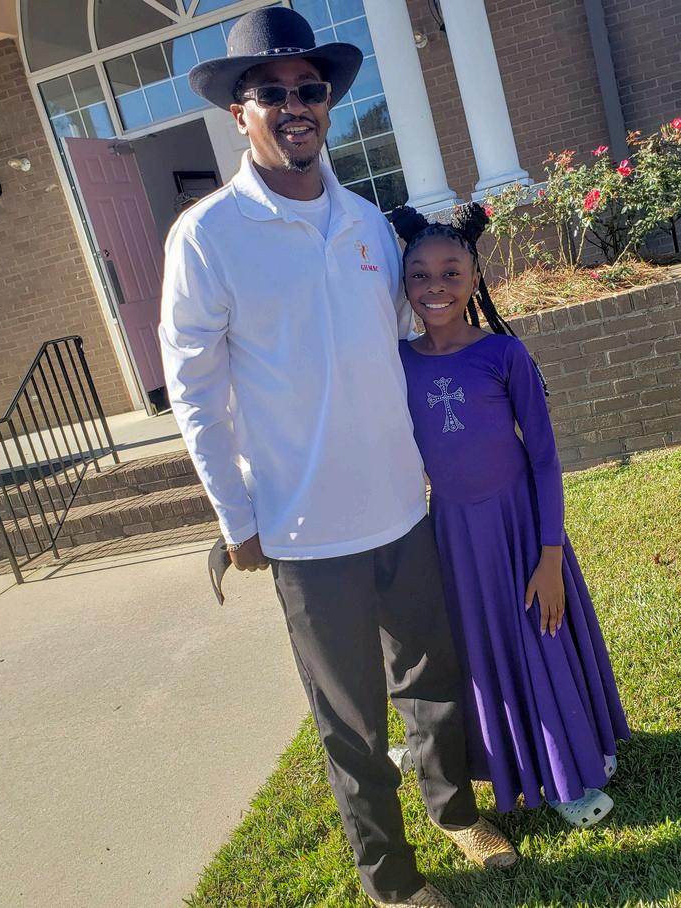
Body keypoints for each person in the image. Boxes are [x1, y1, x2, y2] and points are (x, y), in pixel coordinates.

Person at [160, 9, 515, 907]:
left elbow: (404, 348)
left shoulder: (366, 224)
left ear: (326, 104)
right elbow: (196, 393)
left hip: (400, 504)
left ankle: (453, 811)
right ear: (239, 113)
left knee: (432, 677)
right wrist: (237, 517)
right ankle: (390, 880)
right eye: (270, 92)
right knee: (351, 718)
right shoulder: (207, 236)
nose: (294, 105)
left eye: (309, 89)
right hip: (305, 528)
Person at [389, 203, 631, 826]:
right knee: (483, 652)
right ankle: (508, 765)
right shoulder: (398, 362)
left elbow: (545, 459)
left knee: (539, 638)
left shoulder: (503, 354)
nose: (436, 286)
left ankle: (571, 774)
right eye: (420, 274)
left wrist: (549, 557)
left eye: (451, 272)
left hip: (522, 531)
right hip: (456, 537)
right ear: (403, 283)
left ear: (475, 278)